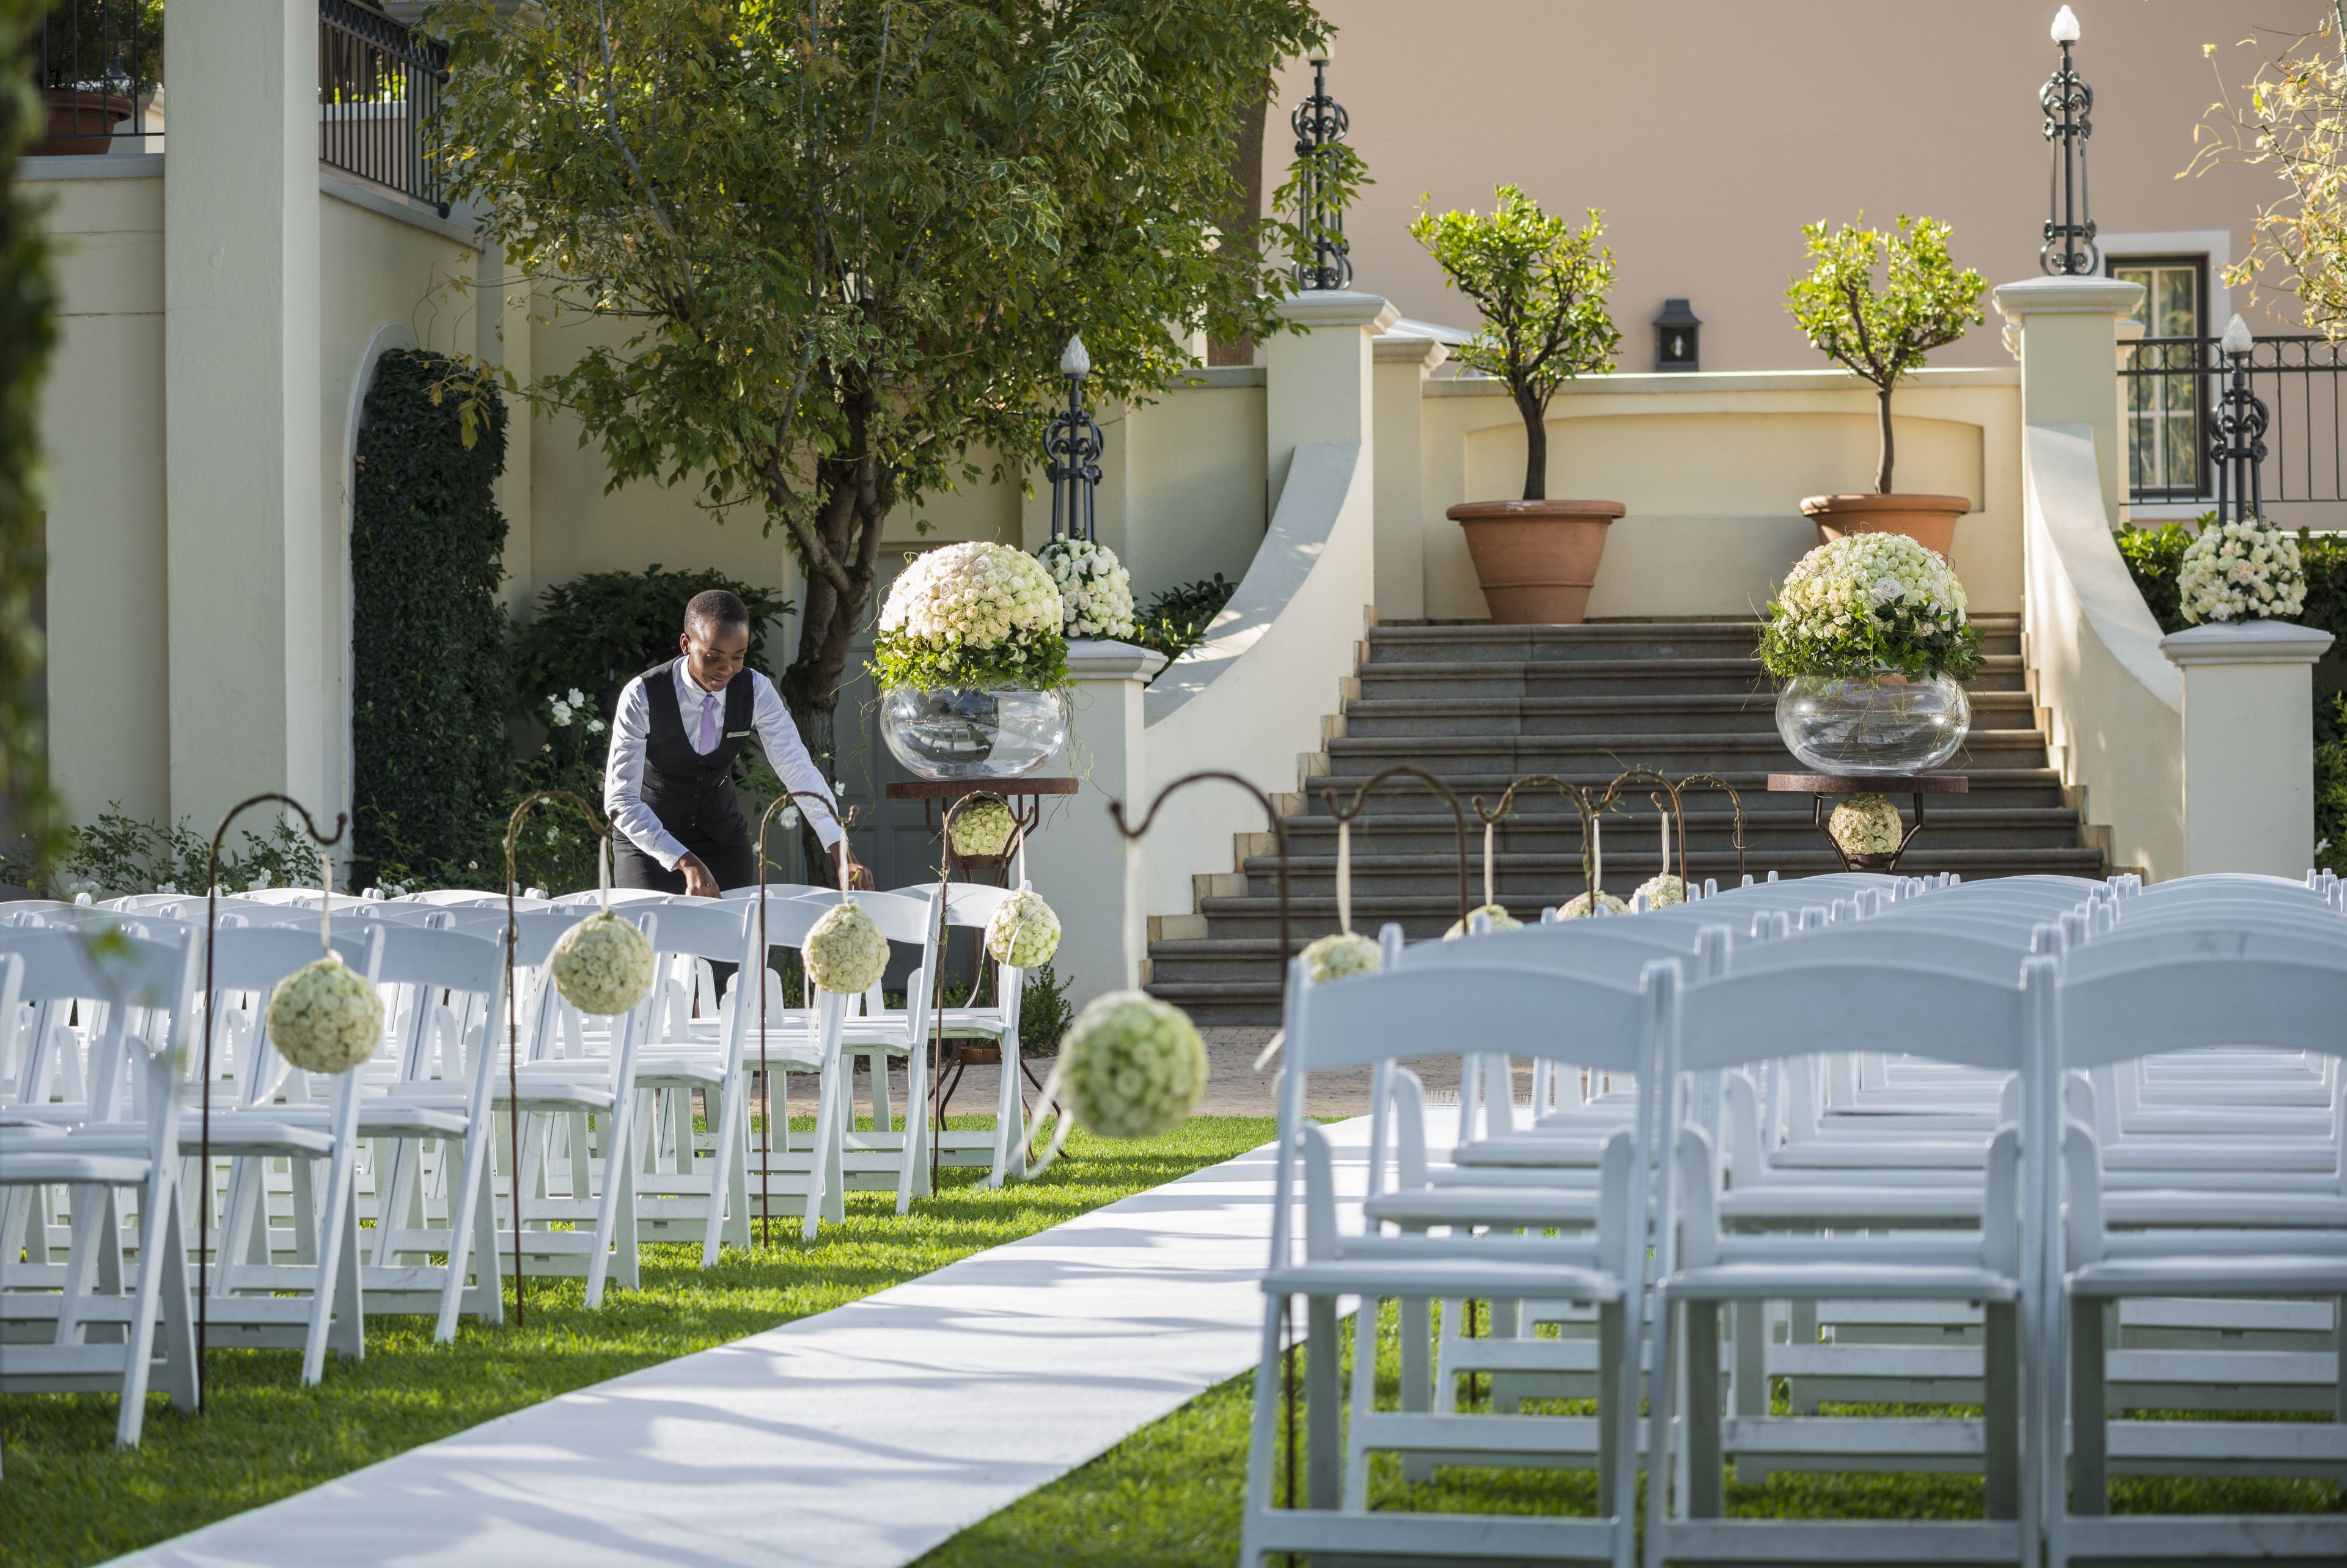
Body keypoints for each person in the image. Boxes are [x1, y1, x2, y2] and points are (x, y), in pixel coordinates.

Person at [604, 589, 872, 896]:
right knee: (649, 941)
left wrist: (842, 853)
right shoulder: (642, 695)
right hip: (648, 846)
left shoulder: (756, 690)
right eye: (713, 657)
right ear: (686, 644)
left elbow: (797, 769)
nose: (726, 669)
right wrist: (684, 860)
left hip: (722, 840)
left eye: (738, 657)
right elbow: (620, 802)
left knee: (737, 939)